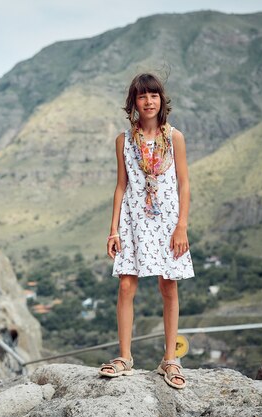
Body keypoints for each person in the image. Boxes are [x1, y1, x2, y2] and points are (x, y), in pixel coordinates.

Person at [99, 73, 195, 389]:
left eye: (153, 95)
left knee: (169, 286)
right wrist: (113, 230)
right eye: (142, 96)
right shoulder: (124, 141)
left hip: (168, 221)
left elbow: (184, 182)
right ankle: (125, 357)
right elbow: (120, 186)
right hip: (133, 219)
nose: (149, 101)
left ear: (160, 100)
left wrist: (182, 226)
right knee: (126, 285)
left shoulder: (174, 138)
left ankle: (170, 359)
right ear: (134, 103)